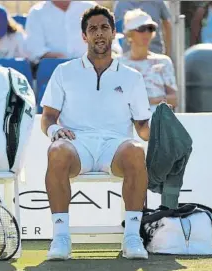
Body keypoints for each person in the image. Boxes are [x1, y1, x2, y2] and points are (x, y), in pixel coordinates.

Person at [40, 5, 152, 261]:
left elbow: (142, 129)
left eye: (104, 28)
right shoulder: (63, 72)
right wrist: (55, 128)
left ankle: (132, 238)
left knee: (135, 151)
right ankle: (61, 238)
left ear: (114, 33)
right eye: (93, 29)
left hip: (115, 146)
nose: (99, 34)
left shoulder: (132, 77)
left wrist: (159, 130)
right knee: (56, 150)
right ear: (84, 36)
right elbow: (47, 117)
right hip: (77, 145)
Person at [25, 1, 122, 63]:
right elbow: (34, 49)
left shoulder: (90, 7)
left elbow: (111, 43)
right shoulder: (36, 12)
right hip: (53, 69)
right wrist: (59, 59)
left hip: (93, 67)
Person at [120, 9, 177, 112]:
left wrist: (152, 101)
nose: (146, 32)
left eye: (150, 28)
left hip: (159, 121)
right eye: (141, 28)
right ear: (129, 34)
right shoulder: (118, 64)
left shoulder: (164, 61)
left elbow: (174, 99)